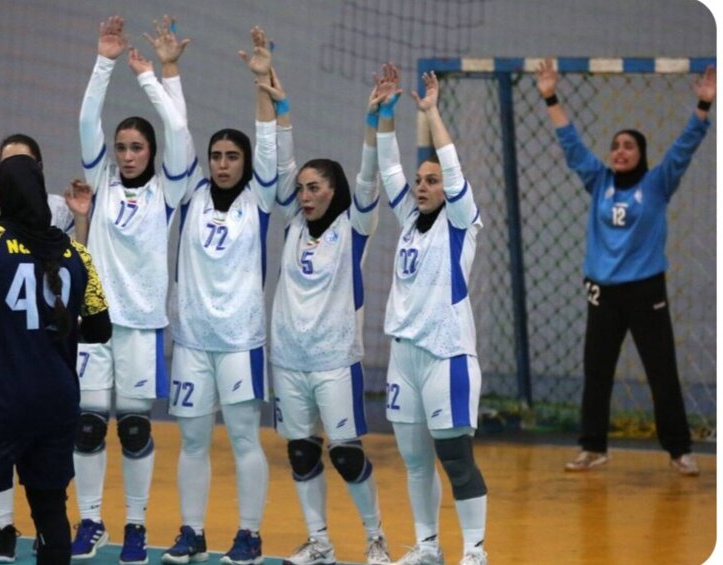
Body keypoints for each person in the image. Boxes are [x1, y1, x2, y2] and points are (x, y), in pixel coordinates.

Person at [534, 59, 715, 476]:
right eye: (615, 145)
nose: (619, 151)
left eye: (628, 146)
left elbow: (685, 146)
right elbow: (571, 143)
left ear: (641, 154)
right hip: (603, 292)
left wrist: (704, 105)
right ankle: (593, 447)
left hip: (646, 291)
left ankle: (679, 450)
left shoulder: (658, 183)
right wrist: (550, 95)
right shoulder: (598, 180)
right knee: (596, 371)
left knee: (661, 371)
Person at [0, 154, 112, 565]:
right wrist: (56, 331)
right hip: (56, 400)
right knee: (50, 509)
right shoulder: (76, 255)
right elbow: (101, 329)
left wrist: (1, 322)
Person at [263, 62, 392, 565]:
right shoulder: (293, 224)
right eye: (302, 189)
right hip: (289, 359)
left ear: (333, 191)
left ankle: (376, 538)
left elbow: (368, 178)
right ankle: (319, 543)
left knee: (345, 452)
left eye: (314, 187)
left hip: (335, 359)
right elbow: (282, 167)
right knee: (300, 452)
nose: (305, 195)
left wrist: (372, 122)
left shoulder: (354, 229)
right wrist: (282, 110)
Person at [72, 15, 191, 563]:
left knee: (136, 429)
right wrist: (104, 62)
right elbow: (86, 120)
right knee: (88, 427)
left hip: (142, 325)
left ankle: (137, 526)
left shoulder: (169, 190)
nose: (126, 154)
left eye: (136, 147)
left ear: (150, 151)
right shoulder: (101, 181)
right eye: (121, 146)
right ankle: (90, 520)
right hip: (94, 323)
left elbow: (180, 133)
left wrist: (149, 77)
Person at [160, 24, 275, 565]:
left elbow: (269, 142)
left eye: (232, 156)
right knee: (192, 441)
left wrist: (262, 82)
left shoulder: (261, 199)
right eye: (217, 155)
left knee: (245, 439)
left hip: (240, 342)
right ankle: (192, 532)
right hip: (191, 341)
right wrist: (169, 70)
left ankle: (249, 534)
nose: (222, 163)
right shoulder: (189, 193)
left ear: (245, 162)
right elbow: (176, 131)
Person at [378, 68, 488, 565]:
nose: (421, 187)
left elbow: (454, 168)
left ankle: (475, 552)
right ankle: (427, 547)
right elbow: (388, 169)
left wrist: (431, 113)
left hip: (447, 355)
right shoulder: (409, 219)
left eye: (432, 181)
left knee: (456, 459)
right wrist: (384, 114)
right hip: (404, 358)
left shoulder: (460, 221)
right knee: (416, 462)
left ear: (448, 189)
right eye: (419, 181)